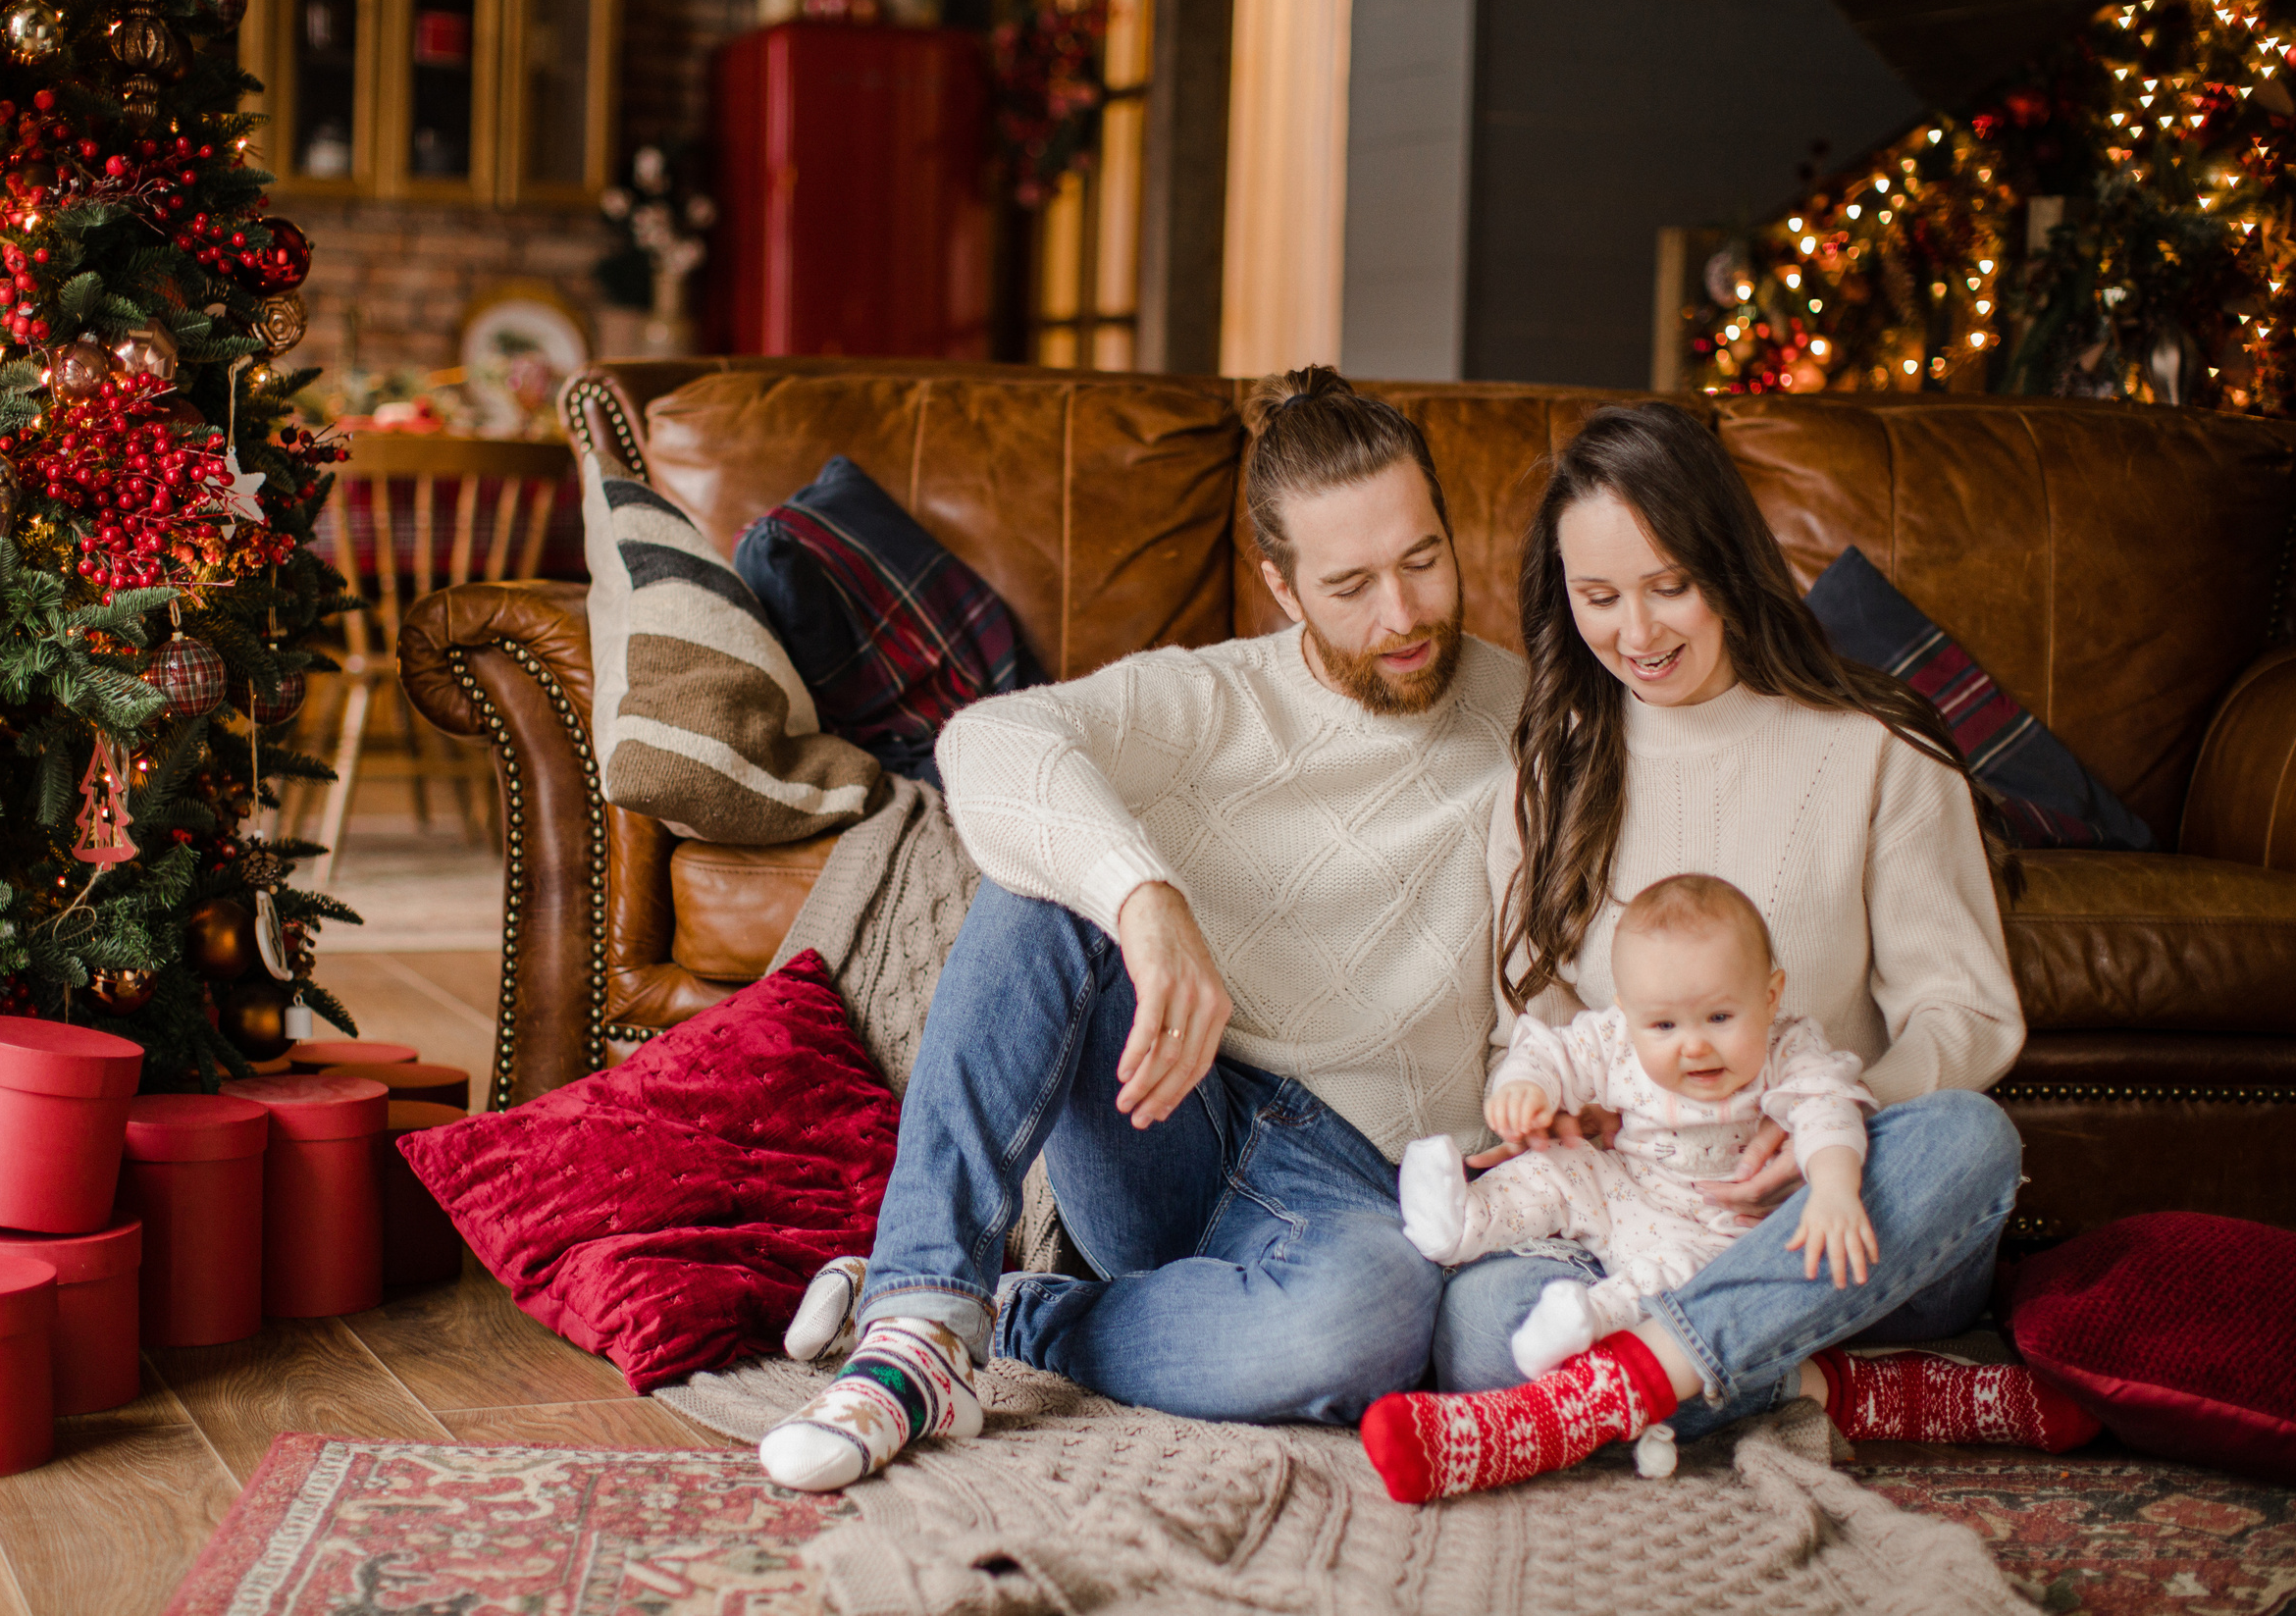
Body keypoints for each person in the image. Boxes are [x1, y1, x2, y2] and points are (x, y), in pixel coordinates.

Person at [755, 366, 1529, 1491]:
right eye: (1350, 584)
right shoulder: (1216, 700)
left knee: (1373, 1321)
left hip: (1365, 1197)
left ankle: (1018, 1315)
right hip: (1170, 1129)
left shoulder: (1534, 718)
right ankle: (920, 1321)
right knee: (1046, 876)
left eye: (1422, 562)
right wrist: (1140, 895)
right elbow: (987, 744)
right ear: (1281, 585)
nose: (1402, 617)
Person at [1364, 400, 2090, 1502]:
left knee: (1971, 1143)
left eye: (1669, 587)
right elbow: (1540, 1017)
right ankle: (1830, 1386)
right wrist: (1560, 1107)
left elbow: (1965, 1013)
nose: (1637, 634)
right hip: (1643, 1217)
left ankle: (1623, 1390)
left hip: (1834, 1220)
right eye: (1598, 598)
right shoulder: (1556, 764)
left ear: (1731, 566)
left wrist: (1823, 1135)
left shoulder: (1873, 750)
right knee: (1479, 1334)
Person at [1396, 873, 1880, 1389]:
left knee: (1683, 1279)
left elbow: (1828, 1108)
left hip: (1716, 1230)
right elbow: (1554, 1053)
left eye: (1719, 1017)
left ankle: (1584, 1321)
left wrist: (1832, 1187)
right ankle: (1459, 1223)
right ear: (1627, 1013)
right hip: (1624, 1187)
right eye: (1664, 1027)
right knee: (1559, 1166)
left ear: (1770, 996)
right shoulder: (1619, 1038)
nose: (1693, 1046)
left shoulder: (1789, 1049)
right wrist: (1526, 1088)